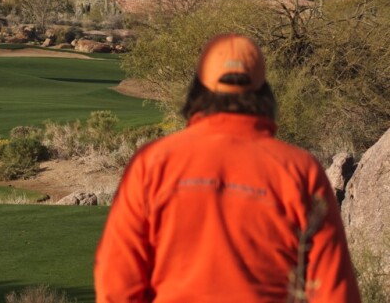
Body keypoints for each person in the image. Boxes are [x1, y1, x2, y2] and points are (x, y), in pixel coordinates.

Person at [94, 33, 360, 302]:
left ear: (198, 90)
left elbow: (117, 283)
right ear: (263, 92)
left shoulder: (152, 163)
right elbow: (333, 290)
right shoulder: (300, 171)